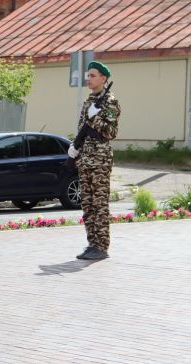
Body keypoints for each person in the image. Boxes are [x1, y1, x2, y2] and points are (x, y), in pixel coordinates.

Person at [68, 61, 121, 261]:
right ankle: (92, 244)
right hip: (85, 159)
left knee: (99, 205)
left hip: (99, 160)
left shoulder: (110, 101)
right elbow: (82, 129)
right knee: (87, 204)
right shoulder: (89, 101)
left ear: (103, 79)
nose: (88, 79)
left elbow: (111, 132)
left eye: (92, 75)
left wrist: (95, 118)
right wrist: (75, 147)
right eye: (88, 75)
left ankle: (101, 246)